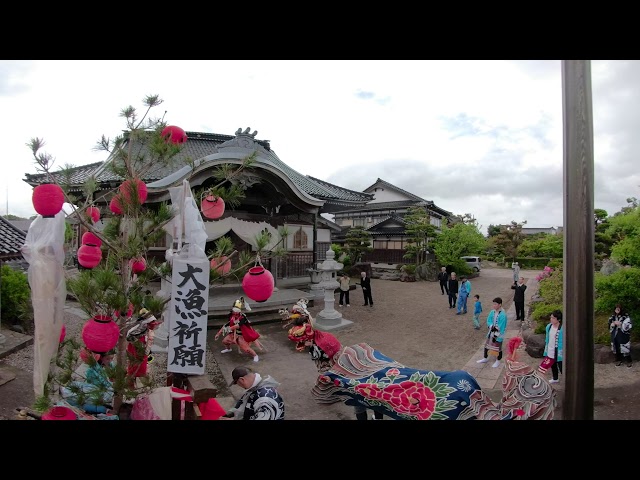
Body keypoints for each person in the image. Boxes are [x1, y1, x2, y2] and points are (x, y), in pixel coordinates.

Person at [214, 297, 262, 362]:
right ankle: (228, 349)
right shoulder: (231, 316)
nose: (235, 313)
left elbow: (237, 326)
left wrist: (228, 329)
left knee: (246, 349)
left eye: (237, 312)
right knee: (225, 341)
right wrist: (218, 333)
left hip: (242, 335)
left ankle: (255, 355)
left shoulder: (243, 318)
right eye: (234, 312)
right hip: (233, 334)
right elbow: (226, 325)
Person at [476, 297, 508, 368]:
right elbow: (488, 320)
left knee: (497, 347)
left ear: (500, 305)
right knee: (487, 345)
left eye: (495, 304)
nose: (494, 306)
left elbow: (501, 326)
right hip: (491, 331)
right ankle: (485, 358)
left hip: (498, 333)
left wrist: (494, 331)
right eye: (493, 304)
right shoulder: (492, 312)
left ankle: (498, 360)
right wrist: (490, 326)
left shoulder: (503, 314)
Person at [538, 310, 563, 383]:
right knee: (553, 364)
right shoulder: (549, 326)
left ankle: (566, 379)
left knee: (561, 365)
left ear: (558, 319)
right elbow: (547, 338)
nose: (551, 319)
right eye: (551, 317)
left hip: (559, 350)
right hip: (550, 348)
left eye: (553, 318)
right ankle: (555, 378)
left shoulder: (562, 328)